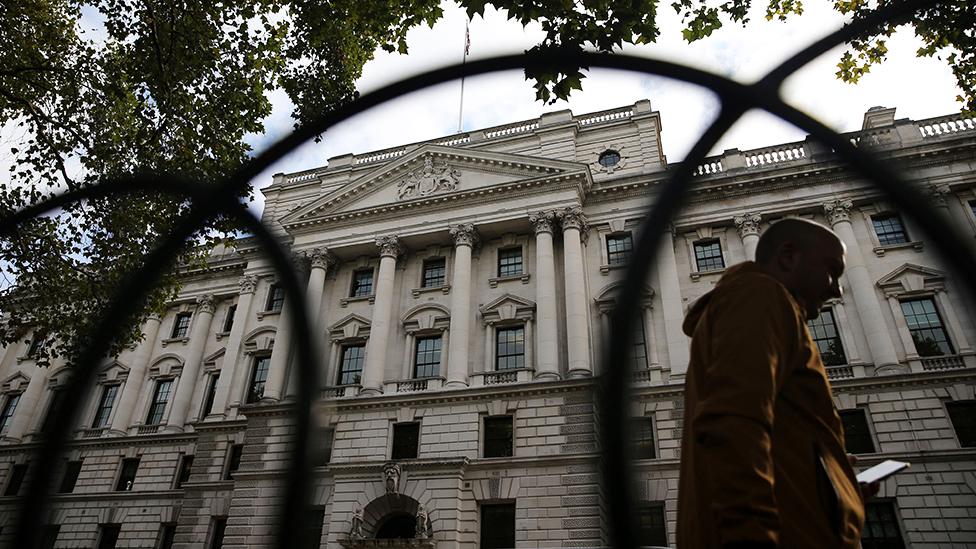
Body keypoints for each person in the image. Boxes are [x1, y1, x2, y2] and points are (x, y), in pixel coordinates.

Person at [676, 218, 876, 549]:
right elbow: (734, 424)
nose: (837, 288)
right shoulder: (761, 296)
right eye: (831, 270)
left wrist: (836, 484)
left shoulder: (763, 305)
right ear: (788, 256)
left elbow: (769, 440)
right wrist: (750, 539)